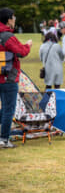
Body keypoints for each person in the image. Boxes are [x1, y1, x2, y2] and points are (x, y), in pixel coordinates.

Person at [0, 8, 32, 148]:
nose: (14, 20)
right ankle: (4, 139)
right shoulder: (7, 36)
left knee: (3, 109)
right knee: (8, 110)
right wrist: (28, 45)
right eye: (13, 17)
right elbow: (22, 52)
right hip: (8, 78)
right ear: (8, 19)